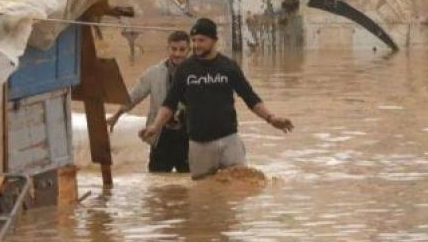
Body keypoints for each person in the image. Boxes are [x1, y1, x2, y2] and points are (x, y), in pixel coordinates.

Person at [140, 18, 294, 180]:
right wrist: (155, 126)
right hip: (199, 144)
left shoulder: (228, 67)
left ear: (214, 40)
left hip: (229, 140)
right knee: (202, 195)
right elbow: (169, 104)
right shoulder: (185, 69)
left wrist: (271, 118)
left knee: (239, 187)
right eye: (194, 40)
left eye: (201, 40)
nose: (196, 45)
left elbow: (250, 98)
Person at [107, 30, 191, 173]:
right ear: (167, 49)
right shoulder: (154, 73)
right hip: (160, 135)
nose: (177, 54)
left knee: (191, 181)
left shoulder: (198, 74)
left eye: (182, 50)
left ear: (189, 50)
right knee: (157, 182)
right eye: (174, 49)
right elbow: (134, 96)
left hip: (189, 136)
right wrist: (116, 116)